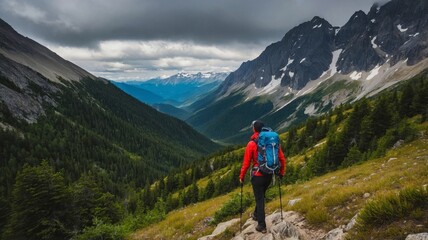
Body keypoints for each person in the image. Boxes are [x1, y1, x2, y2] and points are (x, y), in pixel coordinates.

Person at [239, 120, 286, 233]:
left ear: (254, 129)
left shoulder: (251, 144)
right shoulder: (271, 142)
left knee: (259, 199)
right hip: (269, 174)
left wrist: (241, 176)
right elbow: (282, 158)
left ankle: (261, 225)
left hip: (257, 176)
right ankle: (255, 214)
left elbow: (246, 163)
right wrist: (281, 172)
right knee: (261, 196)